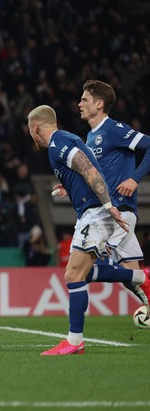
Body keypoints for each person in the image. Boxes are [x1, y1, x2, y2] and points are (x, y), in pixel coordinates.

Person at [28, 105, 149, 356]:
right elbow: (89, 169)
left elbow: (89, 169)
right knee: (78, 273)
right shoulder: (69, 139)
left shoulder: (58, 142)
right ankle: (141, 278)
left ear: (35, 127)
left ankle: (75, 341)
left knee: (74, 274)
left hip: (96, 213)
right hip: (92, 213)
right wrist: (69, 187)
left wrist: (108, 206)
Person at [76, 79, 150, 301]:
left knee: (82, 269)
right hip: (112, 212)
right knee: (132, 277)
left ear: (99, 104)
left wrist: (134, 179)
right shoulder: (90, 137)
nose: (79, 104)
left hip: (117, 211)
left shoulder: (113, 128)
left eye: (84, 99)